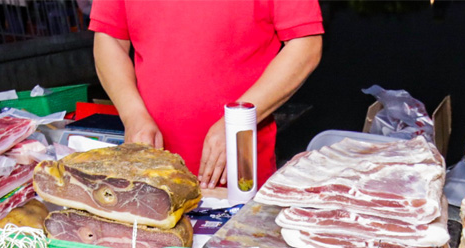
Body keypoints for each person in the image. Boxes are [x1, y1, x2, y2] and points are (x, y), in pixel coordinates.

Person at [90, 0, 323, 188]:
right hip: (149, 171)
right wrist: (133, 115)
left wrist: (235, 122)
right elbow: (109, 38)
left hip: (237, 171)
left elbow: (306, 44)